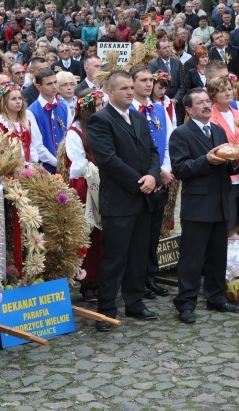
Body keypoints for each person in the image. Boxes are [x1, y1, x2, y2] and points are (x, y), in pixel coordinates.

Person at [86, 70, 161, 332]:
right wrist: (140, 182)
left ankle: (135, 302)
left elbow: (152, 151)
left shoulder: (139, 118)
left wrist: (152, 176)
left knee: (138, 254)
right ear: (110, 91)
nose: (131, 92)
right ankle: (106, 309)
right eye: (125, 88)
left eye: (132, 87)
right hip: (120, 200)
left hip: (143, 198)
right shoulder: (100, 120)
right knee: (115, 257)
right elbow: (108, 160)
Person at [169, 88, 239, 324]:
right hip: (198, 204)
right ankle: (186, 303)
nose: (205, 105)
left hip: (221, 201)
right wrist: (206, 161)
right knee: (192, 258)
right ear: (188, 110)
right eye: (199, 103)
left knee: (217, 255)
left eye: (207, 101)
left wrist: (235, 163)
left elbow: (226, 164)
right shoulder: (181, 134)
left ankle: (216, 296)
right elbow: (180, 169)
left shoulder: (219, 130)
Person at [129, 66, 174, 298]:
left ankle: (150, 276)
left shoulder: (158, 109)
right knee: (138, 235)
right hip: (140, 183)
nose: (149, 84)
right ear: (132, 83)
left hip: (160, 180)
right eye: (143, 80)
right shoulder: (127, 111)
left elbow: (168, 141)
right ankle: (136, 280)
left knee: (154, 233)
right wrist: (152, 174)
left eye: (151, 80)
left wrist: (164, 170)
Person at [64, 90, 104, 302]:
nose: (101, 109)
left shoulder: (101, 127)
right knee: (88, 233)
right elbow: (77, 165)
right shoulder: (75, 132)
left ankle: (101, 278)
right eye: (97, 106)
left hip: (101, 181)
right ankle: (87, 282)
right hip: (85, 186)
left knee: (102, 235)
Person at [207, 77, 239, 236]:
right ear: (213, 96)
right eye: (222, 91)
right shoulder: (209, 117)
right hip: (222, 175)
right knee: (226, 219)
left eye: (229, 89)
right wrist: (235, 152)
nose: (228, 93)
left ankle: (235, 254)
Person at [27, 68, 70, 172]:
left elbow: (70, 137)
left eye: (55, 82)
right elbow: (37, 146)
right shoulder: (31, 112)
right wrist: (57, 163)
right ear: (38, 86)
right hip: (45, 169)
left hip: (66, 166)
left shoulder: (65, 107)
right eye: (49, 84)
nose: (54, 86)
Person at [0, 83, 39, 163]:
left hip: (28, 168)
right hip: (8, 170)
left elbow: (32, 146)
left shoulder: (26, 122)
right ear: (5, 102)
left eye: (20, 98)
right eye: (13, 99)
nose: (18, 102)